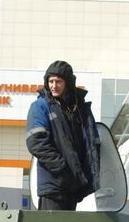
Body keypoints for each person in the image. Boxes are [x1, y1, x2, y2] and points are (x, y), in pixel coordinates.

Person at [25, 60, 100, 211]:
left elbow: (90, 143)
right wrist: (62, 168)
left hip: (72, 187)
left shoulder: (77, 108)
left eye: (58, 81)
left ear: (68, 83)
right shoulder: (41, 106)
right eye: (50, 81)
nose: (54, 85)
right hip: (53, 186)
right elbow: (36, 143)